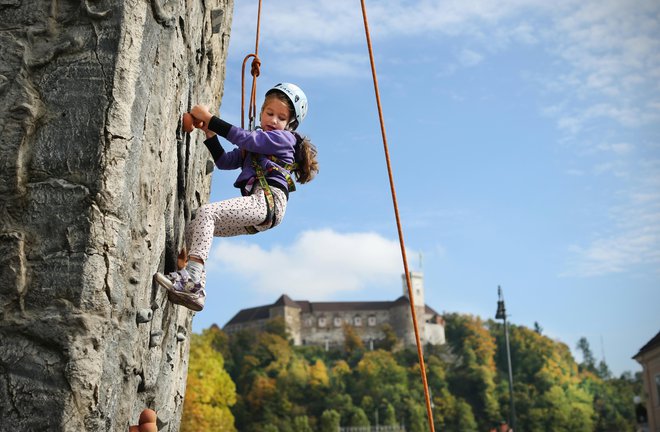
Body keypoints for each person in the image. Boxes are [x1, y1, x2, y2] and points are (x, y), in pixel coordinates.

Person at [154, 83, 318, 311]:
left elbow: (248, 139)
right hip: (261, 211)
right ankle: (195, 287)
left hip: (267, 201)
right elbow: (224, 162)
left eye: (281, 118)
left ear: (290, 125)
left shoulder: (284, 140)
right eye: (269, 113)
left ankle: (191, 278)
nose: (273, 120)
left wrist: (210, 119)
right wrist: (209, 133)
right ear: (260, 112)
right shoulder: (255, 146)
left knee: (206, 213)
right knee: (194, 227)